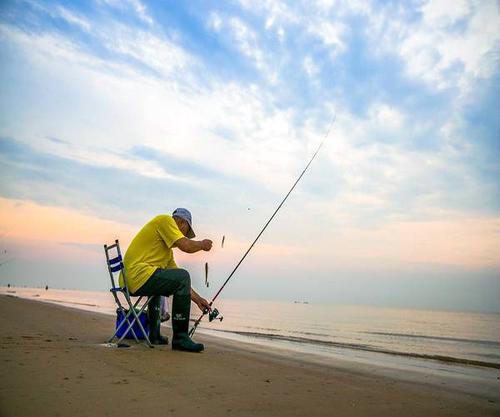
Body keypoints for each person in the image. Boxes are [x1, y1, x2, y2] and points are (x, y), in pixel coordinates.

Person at [119, 208, 212, 352]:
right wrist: (201, 245)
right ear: (181, 222)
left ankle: (154, 334)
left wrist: (198, 300)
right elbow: (185, 246)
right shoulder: (165, 220)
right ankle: (180, 338)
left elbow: (178, 282)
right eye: (186, 232)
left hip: (131, 280)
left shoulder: (166, 253)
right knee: (183, 275)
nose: (185, 236)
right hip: (137, 275)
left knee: (171, 280)